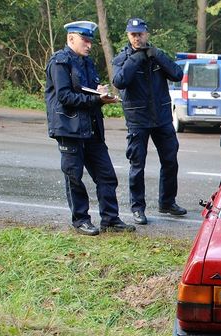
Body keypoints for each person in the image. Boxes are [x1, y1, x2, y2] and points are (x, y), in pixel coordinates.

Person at [45, 21, 136, 236]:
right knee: (74, 177)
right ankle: (81, 220)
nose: (89, 45)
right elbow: (65, 96)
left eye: (90, 41)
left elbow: (86, 91)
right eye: (85, 40)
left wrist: (99, 92)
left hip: (92, 129)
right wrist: (97, 100)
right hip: (69, 129)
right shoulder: (60, 62)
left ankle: (110, 220)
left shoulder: (87, 62)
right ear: (71, 39)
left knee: (107, 176)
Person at [112, 17, 186, 226]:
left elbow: (177, 74)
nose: (137, 38)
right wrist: (136, 58)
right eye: (133, 35)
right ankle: (137, 208)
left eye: (140, 34)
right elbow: (119, 81)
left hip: (161, 118)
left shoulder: (157, 56)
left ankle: (167, 202)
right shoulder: (122, 59)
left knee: (170, 160)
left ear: (147, 34)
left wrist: (157, 55)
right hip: (138, 120)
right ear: (128, 36)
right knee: (138, 165)